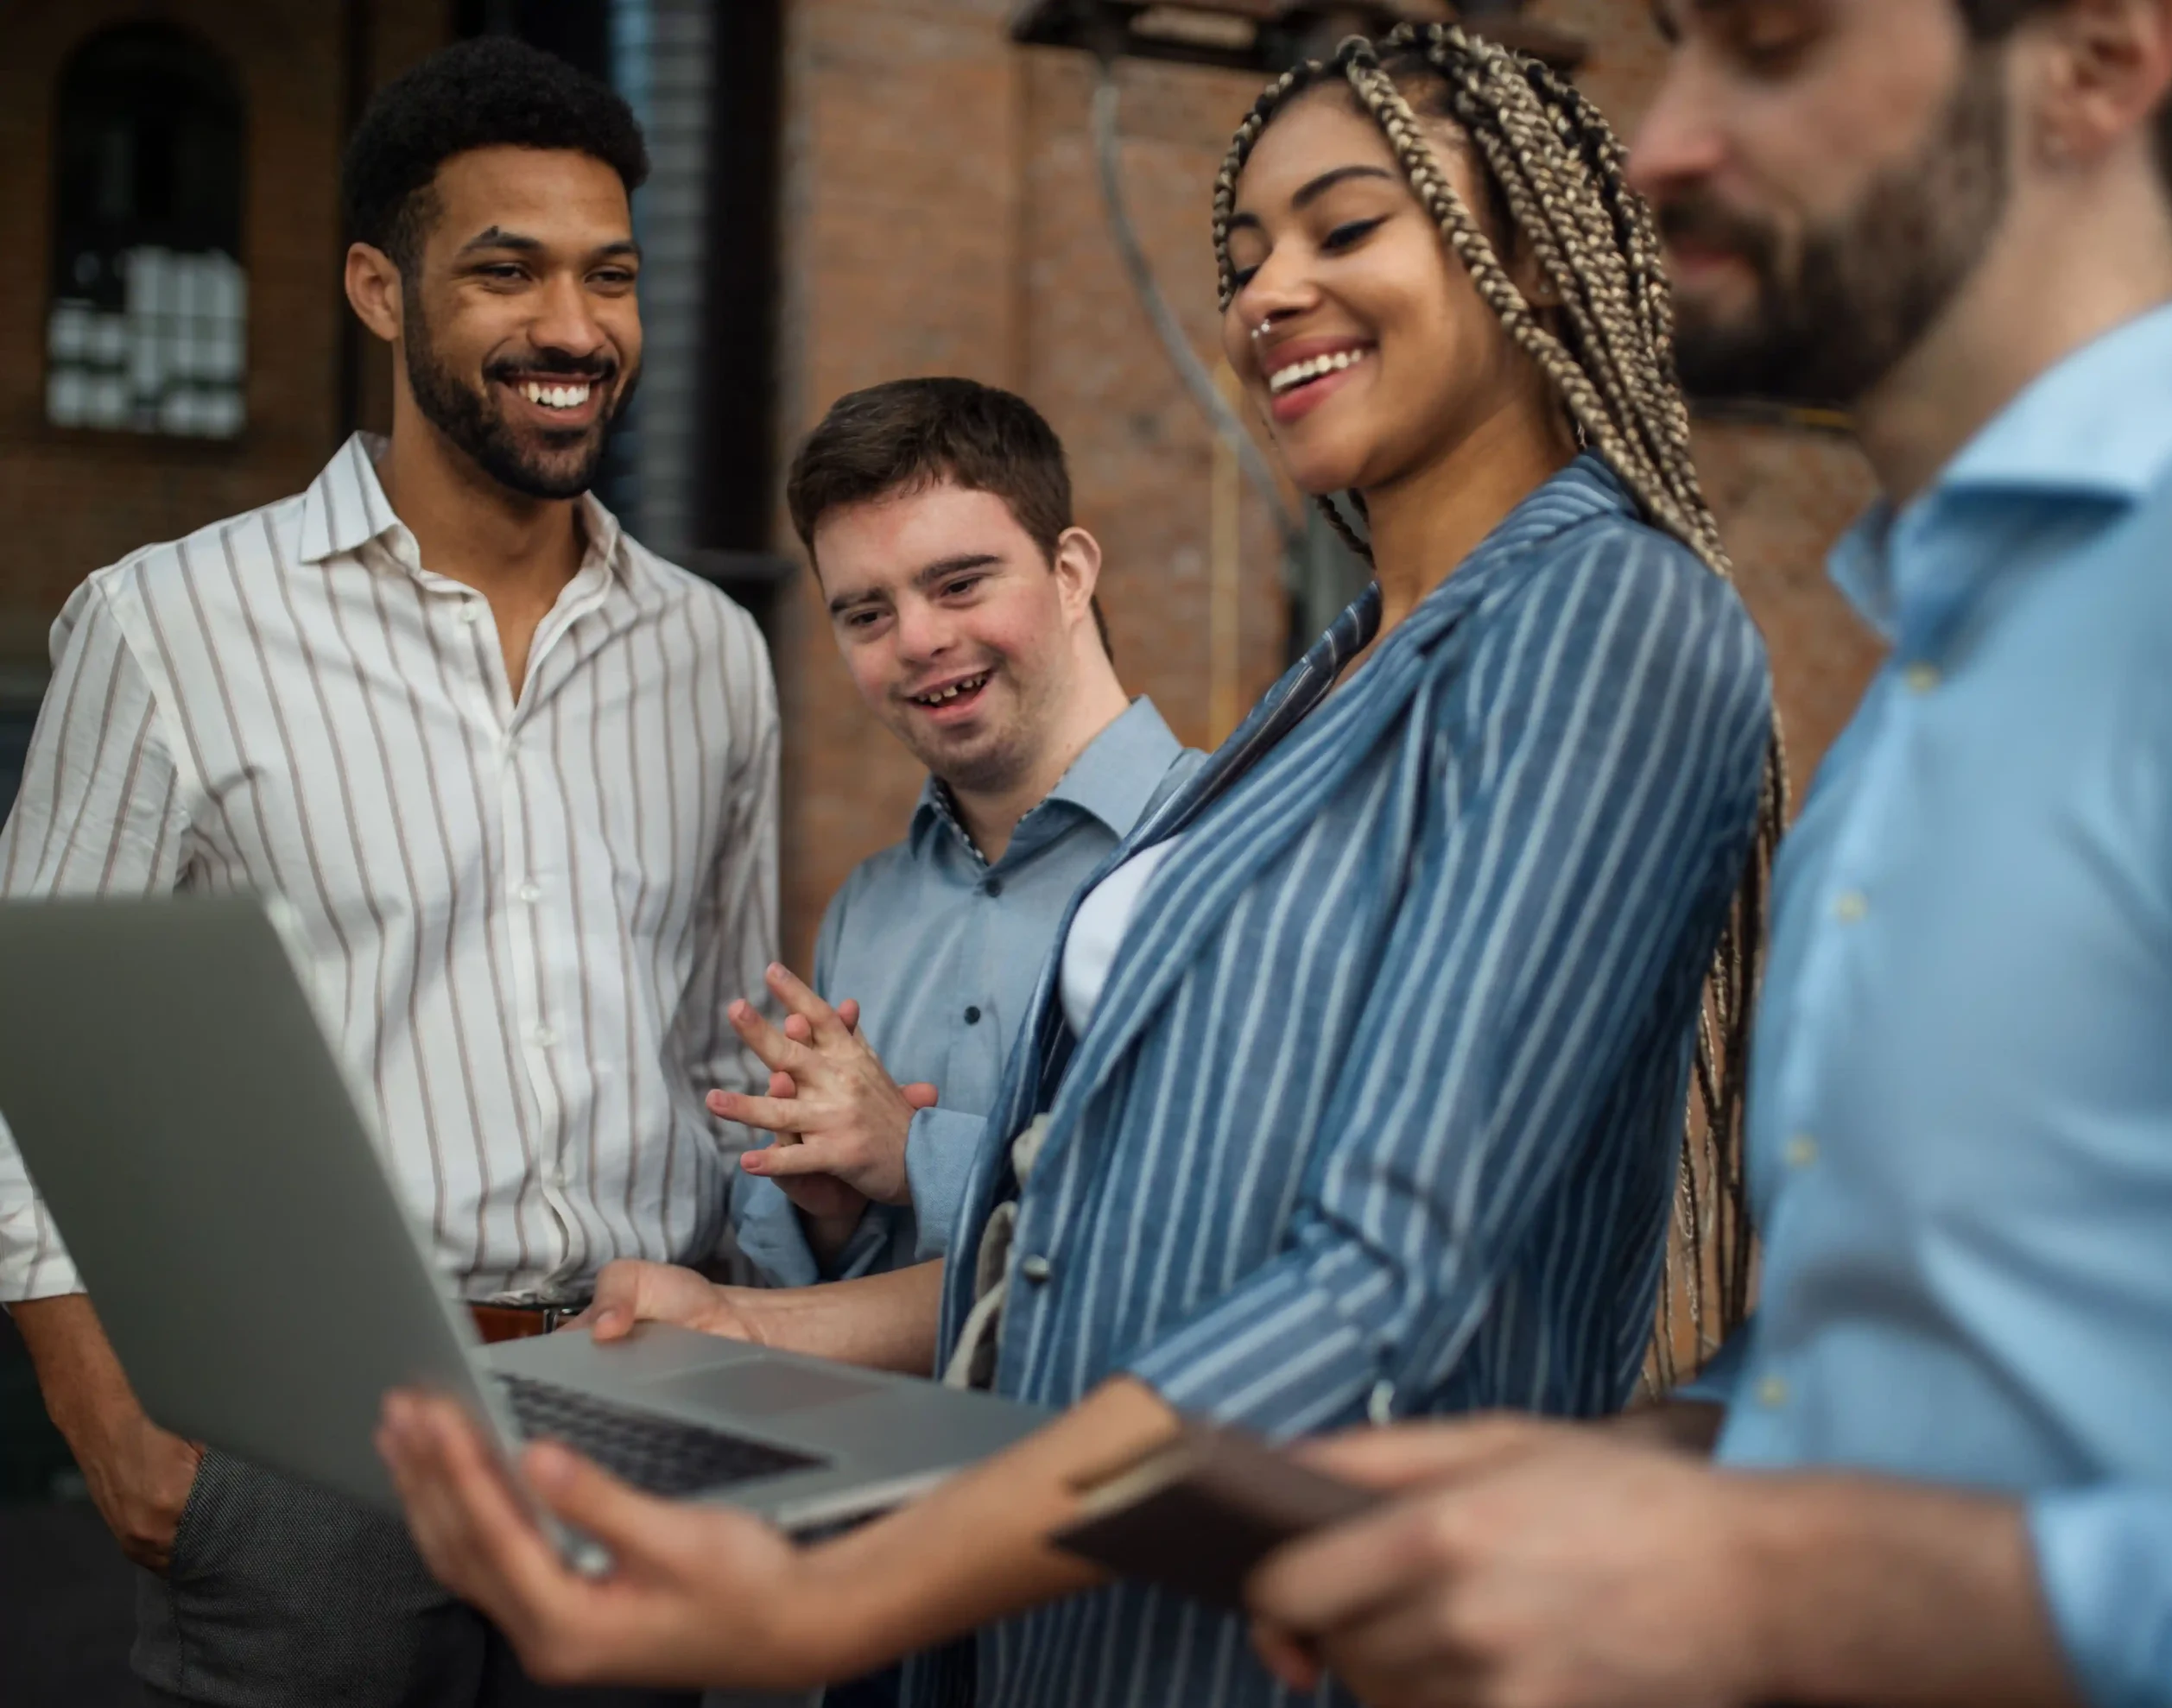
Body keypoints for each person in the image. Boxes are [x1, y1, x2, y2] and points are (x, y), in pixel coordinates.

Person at [375, 22, 1780, 1708]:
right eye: (1244, 252)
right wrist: (763, 1343)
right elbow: (1101, 1227)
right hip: (1080, 1615)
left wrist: (834, 1599)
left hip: (1289, 1636)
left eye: (1342, 229)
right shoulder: (1335, 674)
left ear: (1533, 260)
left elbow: (1382, 1286)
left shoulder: (1593, 614)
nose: (1265, 292)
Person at [1238, 3, 2172, 1706]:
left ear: (2099, 54)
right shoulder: (1914, 691)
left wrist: (1776, 1586)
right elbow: (1927, 1376)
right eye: (1674, 44)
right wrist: (1649, 1471)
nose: (1665, 137)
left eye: (1770, 42)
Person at [0, 38, 776, 1708]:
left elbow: (718, 1055)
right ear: (378, 286)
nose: (574, 327)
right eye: (507, 271)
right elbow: (28, 1042)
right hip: (307, 1453)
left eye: (610, 276)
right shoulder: (171, 625)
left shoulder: (716, 656)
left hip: (640, 1424)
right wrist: (106, 1415)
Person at [722, 377, 1201, 1288]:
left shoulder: (1235, 845)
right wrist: (836, 1208)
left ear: (1069, 574)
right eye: (867, 613)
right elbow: (780, 1275)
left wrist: (918, 1158)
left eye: (958, 584)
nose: (916, 639)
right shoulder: (868, 907)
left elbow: (1207, 1222)